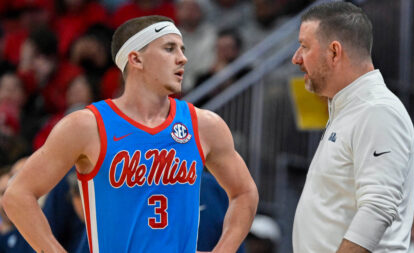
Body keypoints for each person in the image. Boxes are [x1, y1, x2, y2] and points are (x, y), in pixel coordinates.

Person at [3, 15, 258, 253]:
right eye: (169, 49)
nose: (182, 58)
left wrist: (223, 249)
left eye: (182, 49)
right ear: (136, 59)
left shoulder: (204, 125)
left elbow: (245, 192)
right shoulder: (87, 126)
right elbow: (17, 196)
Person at [291, 2, 414, 253]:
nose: (296, 58)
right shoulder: (350, 107)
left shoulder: (377, 110)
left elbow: (377, 208)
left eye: (304, 46)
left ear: (334, 52)